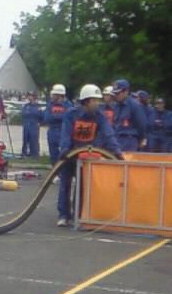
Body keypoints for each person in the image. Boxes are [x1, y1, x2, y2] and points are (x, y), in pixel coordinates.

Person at [56, 84, 123, 227]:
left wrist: (117, 152)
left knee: (82, 186)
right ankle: (63, 215)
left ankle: (78, 215)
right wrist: (65, 151)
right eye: (94, 100)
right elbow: (65, 134)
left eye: (98, 100)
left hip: (85, 156)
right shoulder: (71, 114)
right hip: (70, 154)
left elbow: (108, 134)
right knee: (65, 185)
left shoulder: (99, 116)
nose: (97, 103)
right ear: (86, 101)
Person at [111, 79, 146, 151]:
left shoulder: (135, 105)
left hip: (129, 140)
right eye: (115, 93)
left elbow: (141, 125)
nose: (116, 95)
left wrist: (141, 140)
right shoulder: (116, 106)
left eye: (118, 93)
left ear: (126, 91)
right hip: (117, 139)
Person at [43, 84, 72, 164]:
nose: (52, 96)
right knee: (53, 155)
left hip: (63, 131)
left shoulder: (68, 105)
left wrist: (54, 116)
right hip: (52, 132)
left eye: (54, 94)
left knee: (63, 154)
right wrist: (59, 117)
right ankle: (54, 170)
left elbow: (67, 117)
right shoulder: (50, 104)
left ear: (59, 95)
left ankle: (63, 170)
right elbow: (47, 118)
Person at [21, 92, 44, 158]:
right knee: (25, 139)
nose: (29, 97)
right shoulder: (26, 106)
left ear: (34, 97)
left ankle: (34, 154)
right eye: (28, 95)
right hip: (26, 125)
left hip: (34, 125)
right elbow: (23, 114)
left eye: (30, 95)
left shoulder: (38, 107)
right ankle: (24, 153)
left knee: (34, 140)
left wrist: (40, 123)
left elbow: (42, 116)